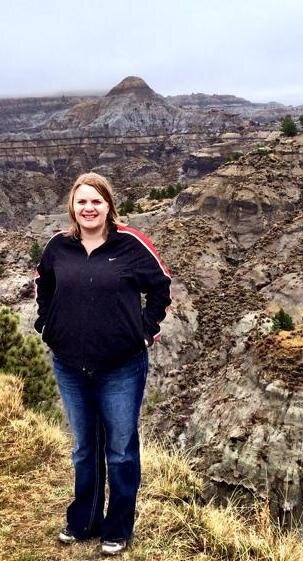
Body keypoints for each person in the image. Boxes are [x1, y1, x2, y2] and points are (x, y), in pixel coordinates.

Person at [34, 172, 172, 556]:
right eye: (82, 202)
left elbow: (161, 285)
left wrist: (146, 330)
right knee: (84, 448)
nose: (89, 208)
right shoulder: (58, 247)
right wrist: (45, 325)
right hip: (70, 365)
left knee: (121, 450)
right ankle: (83, 521)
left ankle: (118, 528)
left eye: (96, 201)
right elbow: (43, 284)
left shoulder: (131, 245)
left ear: (109, 205)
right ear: (72, 208)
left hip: (121, 367)